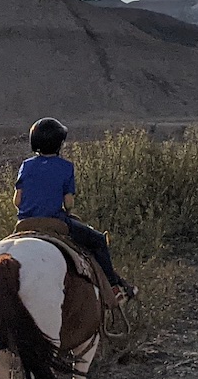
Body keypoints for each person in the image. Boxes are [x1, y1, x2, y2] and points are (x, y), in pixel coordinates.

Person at [15, 117, 139, 300]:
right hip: (55, 221)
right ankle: (113, 288)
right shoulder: (65, 167)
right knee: (97, 241)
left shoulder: (26, 166)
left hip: (24, 223)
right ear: (58, 144)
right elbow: (69, 203)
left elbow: (17, 201)